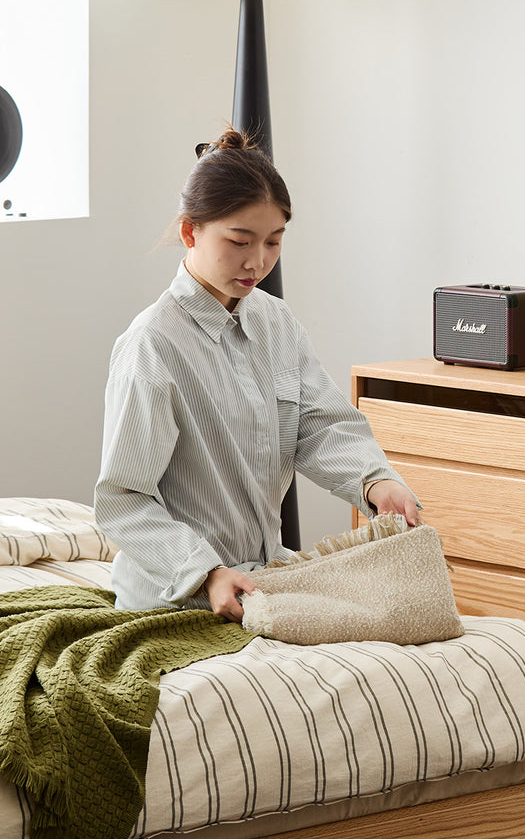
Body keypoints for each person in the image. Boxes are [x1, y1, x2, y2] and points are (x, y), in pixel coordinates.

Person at [95, 127, 420, 622]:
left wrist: (375, 482)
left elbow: (320, 426)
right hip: (176, 595)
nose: (258, 261)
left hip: (262, 578)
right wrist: (205, 572)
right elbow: (124, 500)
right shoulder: (152, 345)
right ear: (191, 232)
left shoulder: (276, 322)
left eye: (273, 241)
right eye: (240, 241)